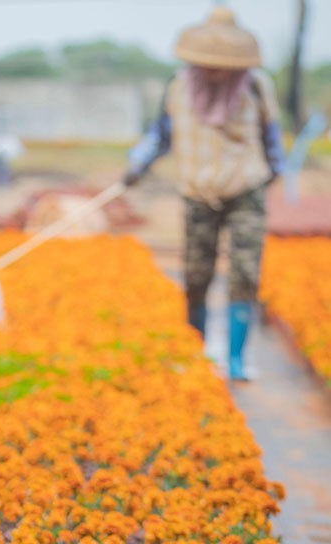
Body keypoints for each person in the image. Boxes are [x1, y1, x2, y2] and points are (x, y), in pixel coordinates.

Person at [123, 5, 287, 380]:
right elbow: (160, 135)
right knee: (197, 274)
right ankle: (197, 351)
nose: (214, 71)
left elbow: (272, 140)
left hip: (245, 190)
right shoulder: (179, 86)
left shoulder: (257, 86)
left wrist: (270, 177)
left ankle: (236, 358)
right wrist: (137, 165)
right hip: (197, 191)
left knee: (244, 273)